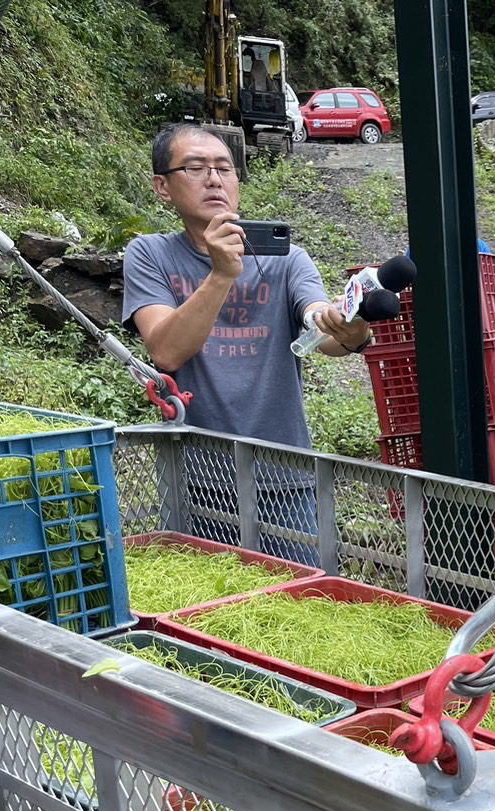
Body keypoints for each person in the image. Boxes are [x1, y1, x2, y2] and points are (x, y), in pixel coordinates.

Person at [122, 122, 372, 560]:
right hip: (194, 476)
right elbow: (166, 350)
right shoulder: (150, 254)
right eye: (196, 168)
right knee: (203, 608)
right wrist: (222, 273)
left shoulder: (287, 260)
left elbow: (318, 325)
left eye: (225, 168)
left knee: (300, 604)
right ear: (163, 187)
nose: (215, 179)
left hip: (285, 477)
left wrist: (347, 330)